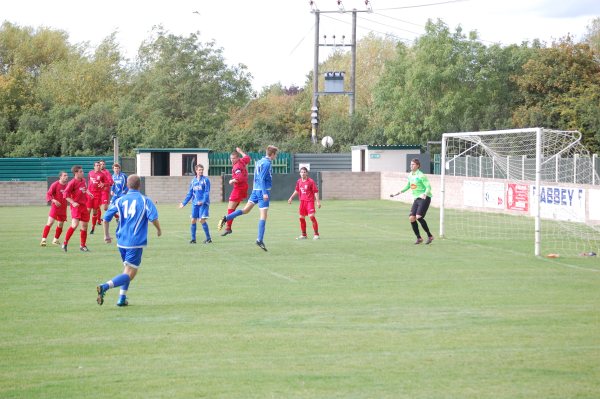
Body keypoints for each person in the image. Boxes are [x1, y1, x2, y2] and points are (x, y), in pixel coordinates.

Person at [97, 175, 162, 307]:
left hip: (121, 241)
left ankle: (122, 298)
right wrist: (158, 229)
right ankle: (105, 286)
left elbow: (106, 218)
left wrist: (106, 235)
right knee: (130, 274)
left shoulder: (120, 200)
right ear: (139, 186)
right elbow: (153, 218)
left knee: (127, 270)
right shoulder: (145, 200)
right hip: (135, 241)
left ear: (127, 185)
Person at [218, 145, 278, 251]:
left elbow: (256, 176)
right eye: (275, 155)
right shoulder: (267, 163)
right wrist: (264, 193)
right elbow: (262, 179)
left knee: (245, 210)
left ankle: (226, 218)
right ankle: (259, 239)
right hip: (262, 191)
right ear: (272, 154)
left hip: (255, 191)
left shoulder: (259, 161)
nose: (275, 157)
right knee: (263, 216)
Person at [390, 158, 434, 245]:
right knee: (411, 218)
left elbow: (428, 187)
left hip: (425, 198)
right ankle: (419, 238)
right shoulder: (410, 175)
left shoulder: (421, 175)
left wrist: (425, 193)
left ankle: (430, 236)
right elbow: (408, 186)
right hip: (417, 199)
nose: (411, 166)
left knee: (418, 216)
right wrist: (398, 193)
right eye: (411, 164)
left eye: (413, 164)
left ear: (418, 166)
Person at [220, 147, 251, 236]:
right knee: (232, 208)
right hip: (243, 187)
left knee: (230, 208)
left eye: (233, 158)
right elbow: (248, 158)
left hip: (239, 188)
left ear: (237, 158)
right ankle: (228, 227)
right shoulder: (242, 161)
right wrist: (240, 151)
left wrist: (232, 180)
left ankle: (228, 228)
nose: (232, 160)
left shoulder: (237, 166)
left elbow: (239, 177)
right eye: (231, 158)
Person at [62, 165, 93, 252]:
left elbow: (84, 189)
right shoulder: (72, 183)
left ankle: (82, 246)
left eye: (82, 171)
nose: (83, 173)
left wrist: (88, 192)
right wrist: (73, 202)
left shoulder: (83, 180)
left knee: (84, 226)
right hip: (76, 207)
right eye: (81, 172)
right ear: (76, 173)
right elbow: (65, 195)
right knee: (74, 225)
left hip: (83, 206)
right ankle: (65, 243)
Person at [179, 164, 212, 244]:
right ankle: (193, 239)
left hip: (203, 203)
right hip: (195, 204)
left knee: (201, 220)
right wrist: (183, 203)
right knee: (193, 220)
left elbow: (207, 192)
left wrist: (203, 201)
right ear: (196, 171)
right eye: (199, 170)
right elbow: (190, 193)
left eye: (202, 170)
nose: (201, 171)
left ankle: (208, 238)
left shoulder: (206, 180)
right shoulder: (193, 181)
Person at [288, 166, 321, 240]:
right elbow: (297, 190)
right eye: (301, 172)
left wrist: (318, 202)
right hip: (302, 202)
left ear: (307, 173)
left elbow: (315, 192)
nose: (303, 173)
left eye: (304, 172)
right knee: (301, 218)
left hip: (309, 202)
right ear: (300, 173)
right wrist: (291, 198)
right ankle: (304, 235)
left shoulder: (311, 181)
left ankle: (316, 234)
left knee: (311, 216)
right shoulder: (299, 181)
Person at [40, 171, 69, 246]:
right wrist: (54, 200)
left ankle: (55, 240)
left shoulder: (68, 185)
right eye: (64, 175)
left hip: (63, 208)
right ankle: (43, 240)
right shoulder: (55, 184)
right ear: (60, 177)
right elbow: (49, 194)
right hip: (55, 208)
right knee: (50, 222)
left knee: (60, 225)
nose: (66, 177)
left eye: (67, 175)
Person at [104, 162, 128, 243]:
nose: (116, 170)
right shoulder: (113, 176)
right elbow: (113, 184)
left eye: (117, 168)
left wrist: (123, 194)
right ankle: (112, 217)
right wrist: (112, 190)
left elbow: (126, 185)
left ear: (119, 169)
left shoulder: (123, 176)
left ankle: (121, 219)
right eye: (115, 168)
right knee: (110, 207)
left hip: (122, 195)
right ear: (113, 169)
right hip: (115, 195)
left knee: (122, 210)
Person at [87, 161, 106, 235]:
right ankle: (85, 226)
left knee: (95, 212)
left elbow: (108, 183)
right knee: (88, 211)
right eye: (97, 165)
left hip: (97, 195)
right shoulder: (90, 173)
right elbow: (89, 181)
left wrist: (103, 184)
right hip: (90, 194)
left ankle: (93, 228)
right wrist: (88, 190)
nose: (98, 166)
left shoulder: (102, 175)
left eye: (99, 165)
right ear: (94, 166)